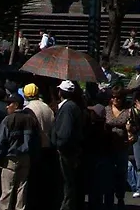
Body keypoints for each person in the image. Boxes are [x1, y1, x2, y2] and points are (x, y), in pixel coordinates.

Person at [0, 92, 42, 210]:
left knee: (7, 191)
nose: (7, 106)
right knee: (22, 189)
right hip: (25, 158)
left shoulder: (8, 120)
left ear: (16, 105)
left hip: (10, 158)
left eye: (9, 103)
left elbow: (0, 143)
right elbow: (36, 141)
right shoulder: (31, 120)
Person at [53, 81, 86, 210]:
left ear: (61, 92)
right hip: (71, 150)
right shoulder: (72, 106)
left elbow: (65, 133)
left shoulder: (68, 108)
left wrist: (59, 145)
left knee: (68, 183)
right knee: (70, 182)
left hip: (66, 152)